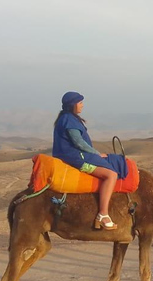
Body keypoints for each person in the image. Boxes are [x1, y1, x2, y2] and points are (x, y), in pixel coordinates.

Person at [52, 91, 124, 230]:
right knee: (111, 175)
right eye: (80, 103)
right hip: (76, 158)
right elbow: (79, 143)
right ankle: (103, 214)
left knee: (111, 162)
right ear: (72, 105)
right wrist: (96, 154)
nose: (82, 106)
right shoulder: (68, 120)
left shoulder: (69, 118)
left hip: (78, 155)